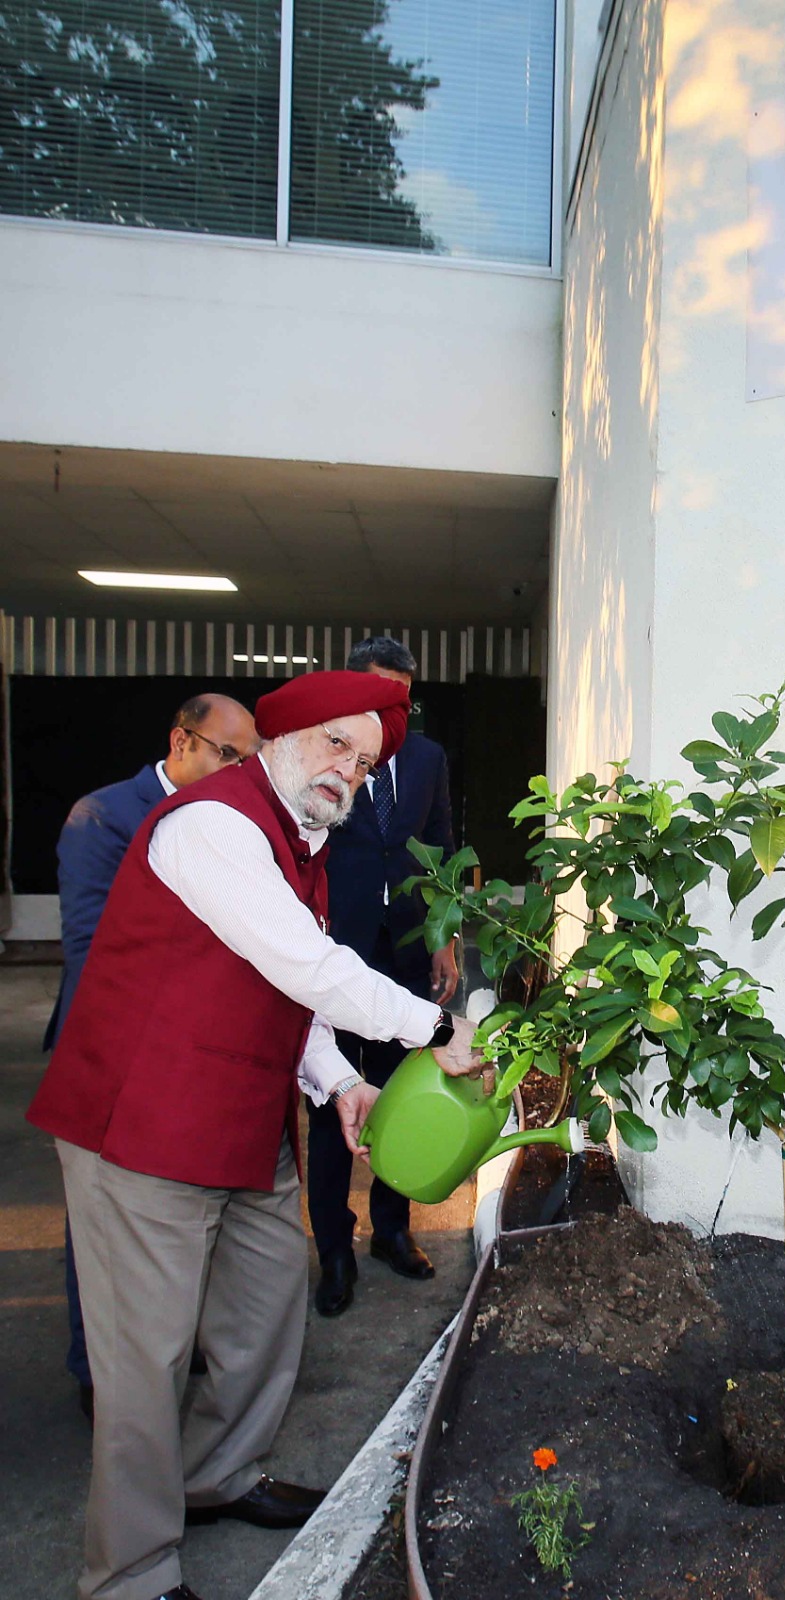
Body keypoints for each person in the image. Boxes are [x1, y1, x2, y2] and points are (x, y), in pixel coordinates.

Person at [27, 670, 484, 1600]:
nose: (346, 771)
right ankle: (132, 1574)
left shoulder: (301, 840)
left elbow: (281, 989)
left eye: (362, 762)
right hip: (142, 1127)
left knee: (266, 1315)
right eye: (333, 744)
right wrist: (437, 1032)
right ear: (280, 736)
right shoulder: (212, 825)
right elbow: (303, 960)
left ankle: (219, 1476)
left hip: (244, 1121)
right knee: (145, 1365)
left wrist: (339, 1079)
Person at [45, 693, 260, 1420]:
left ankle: (163, 1352)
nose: (239, 773)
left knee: (170, 1225)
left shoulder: (225, 824)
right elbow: (92, 952)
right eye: (229, 756)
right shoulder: (103, 816)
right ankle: (94, 1372)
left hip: (179, 1063)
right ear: (181, 741)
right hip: (108, 1058)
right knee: (101, 1232)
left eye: (248, 762)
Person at [308, 636, 458, 1316]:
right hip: (332, 956)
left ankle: (391, 1232)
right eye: (375, 693)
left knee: (401, 1100)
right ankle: (333, 1251)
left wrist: (444, 940)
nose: (388, 709)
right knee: (333, 1105)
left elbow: (442, 850)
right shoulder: (321, 753)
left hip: (404, 959)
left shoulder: (428, 758)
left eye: (399, 696)